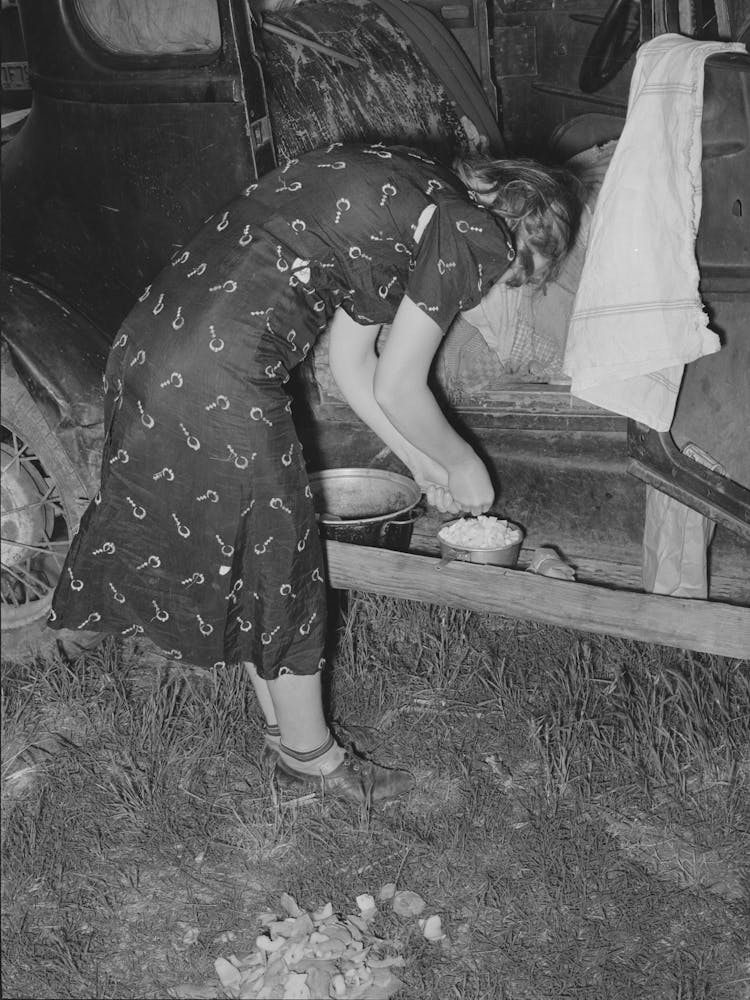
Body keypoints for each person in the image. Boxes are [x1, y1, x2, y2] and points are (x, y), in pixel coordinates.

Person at [48, 142, 581, 805]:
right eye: (518, 278)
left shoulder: (411, 189)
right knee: (283, 568)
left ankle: (285, 740)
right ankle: (315, 765)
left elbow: (358, 370)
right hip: (221, 374)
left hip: (152, 347)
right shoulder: (471, 232)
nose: (498, 284)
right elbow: (399, 385)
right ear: (525, 239)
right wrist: (467, 467)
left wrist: (423, 463)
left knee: (252, 560)